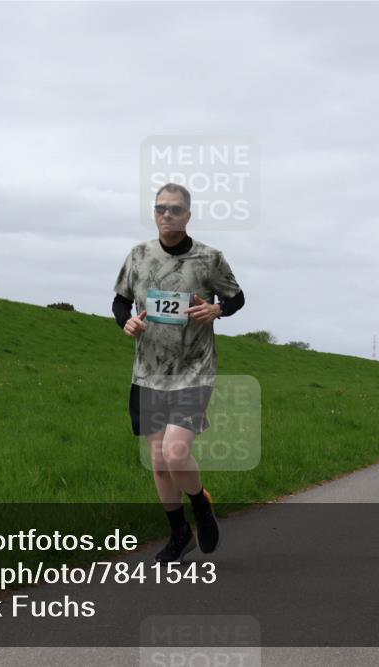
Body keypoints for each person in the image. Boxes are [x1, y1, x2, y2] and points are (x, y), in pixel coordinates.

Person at [112, 183, 245, 562]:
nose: (166, 215)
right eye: (160, 209)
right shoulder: (138, 256)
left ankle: (201, 506)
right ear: (154, 214)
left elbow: (236, 297)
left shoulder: (209, 258)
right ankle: (179, 533)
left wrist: (217, 310)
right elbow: (120, 301)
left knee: (175, 451)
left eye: (174, 209)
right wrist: (126, 323)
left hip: (194, 369)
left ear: (188, 215)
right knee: (158, 461)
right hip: (148, 372)